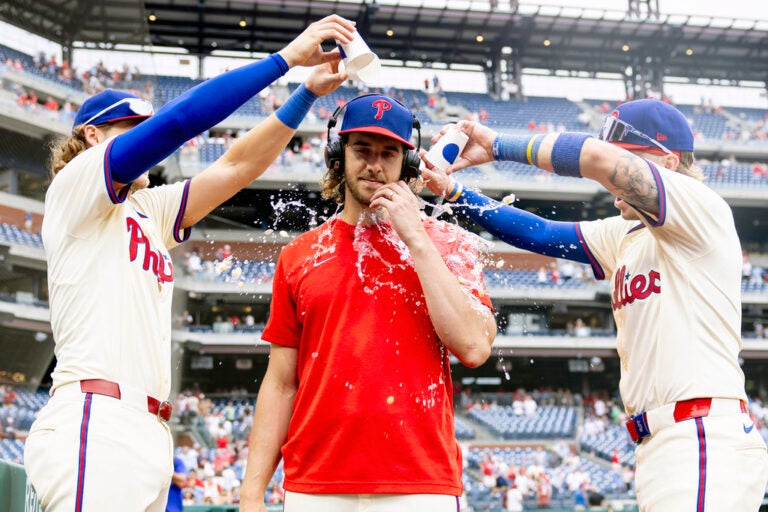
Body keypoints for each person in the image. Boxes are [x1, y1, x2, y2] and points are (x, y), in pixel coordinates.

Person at [23, 15, 356, 512]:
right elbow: (177, 124)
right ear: (93, 136)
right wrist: (284, 60)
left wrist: (304, 94)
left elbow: (236, 166)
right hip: (96, 418)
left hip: (149, 430)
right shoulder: (76, 186)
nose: (144, 137)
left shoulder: (144, 210)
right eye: (129, 128)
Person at [421, 99, 768, 511]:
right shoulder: (624, 233)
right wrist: (455, 192)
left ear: (668, 164)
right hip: (662, 442)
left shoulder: (699, 206)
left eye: (628, 158)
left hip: (701, 434)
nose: (610, 181)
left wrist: (497, 145)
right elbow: (540, 233)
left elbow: (595, 157)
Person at [238, 94, 497, 512]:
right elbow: (281, 382)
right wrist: (252, 493)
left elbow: (473, 347)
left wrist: (415, 236)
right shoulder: (299, 254)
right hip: (315, 483)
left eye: (389, 153)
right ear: (339, 155)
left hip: (419, 483)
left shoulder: (448, 245)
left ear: (407, 165)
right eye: (362, 149)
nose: (374, 164)